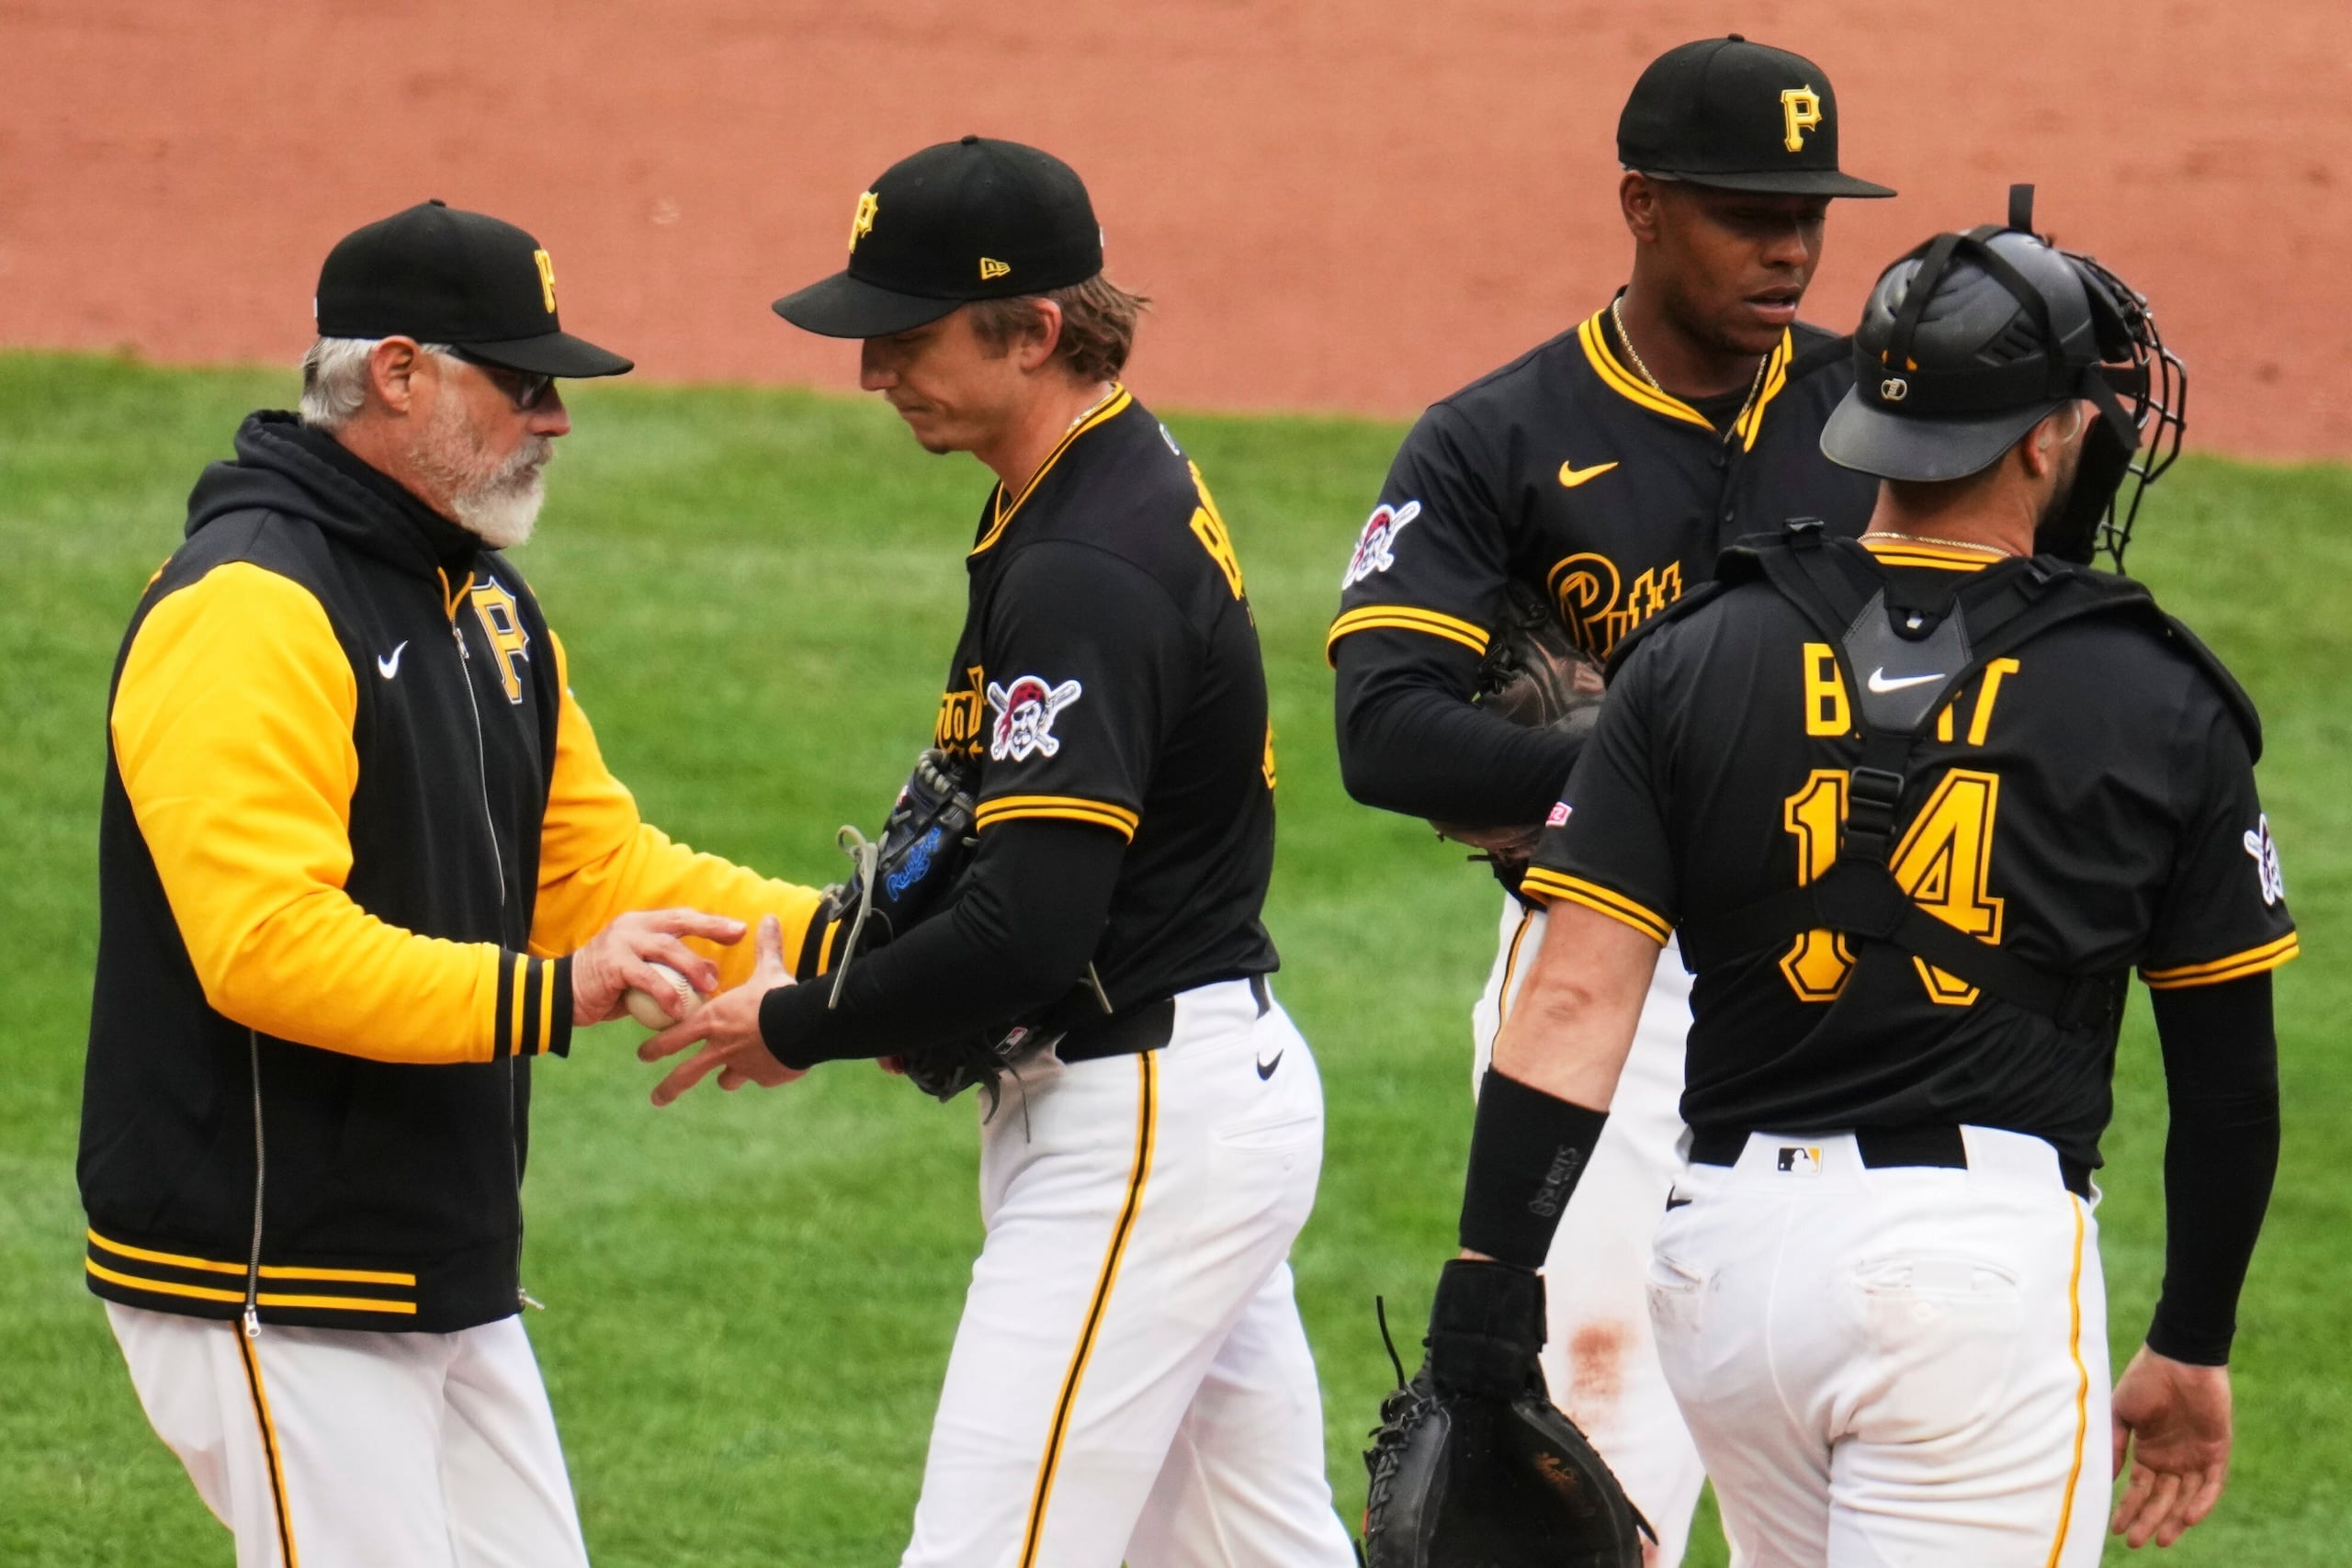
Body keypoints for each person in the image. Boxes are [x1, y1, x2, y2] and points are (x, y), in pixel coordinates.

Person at [1426, 198, 2290, 1563]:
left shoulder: (1697, 653)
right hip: (1961, 1287)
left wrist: (1487, 1282)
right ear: (2045, 438)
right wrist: (2191, 1341)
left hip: (1724, 1278)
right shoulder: (2153, 692)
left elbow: (1574, 999)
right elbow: (2228, 1076)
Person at [641, 137, 1359, 1568]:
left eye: (906, 340)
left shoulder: (1086, 561)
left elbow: (1031, 925)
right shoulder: (1082, 491)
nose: (871, 374)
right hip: (1182, 1092)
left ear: (1034, 330)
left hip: (1142, 1122)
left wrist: (805, 1020)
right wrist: (853, 956)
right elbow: (976, 831)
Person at [81, 200, 829, 1568]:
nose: (555, 420)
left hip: (431, 1267)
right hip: (266, 1271)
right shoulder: (249, 606)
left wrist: (860, 948)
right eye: (524, 382)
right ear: (400, 373)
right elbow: (264, 944)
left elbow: (595, 869)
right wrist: (557, 995)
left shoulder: (478, 607)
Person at [1328, 34, 1892, 1560]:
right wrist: (1653, 771)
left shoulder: (1890, 424)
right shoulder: (1496, 438)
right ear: (1642, 204)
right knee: (1587, 1440)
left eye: (1809, 215)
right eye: (1741, 212)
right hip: (1605, 990)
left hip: (1866, 987)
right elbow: (1383, 731)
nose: (1788, 247)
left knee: (1846, 1451)